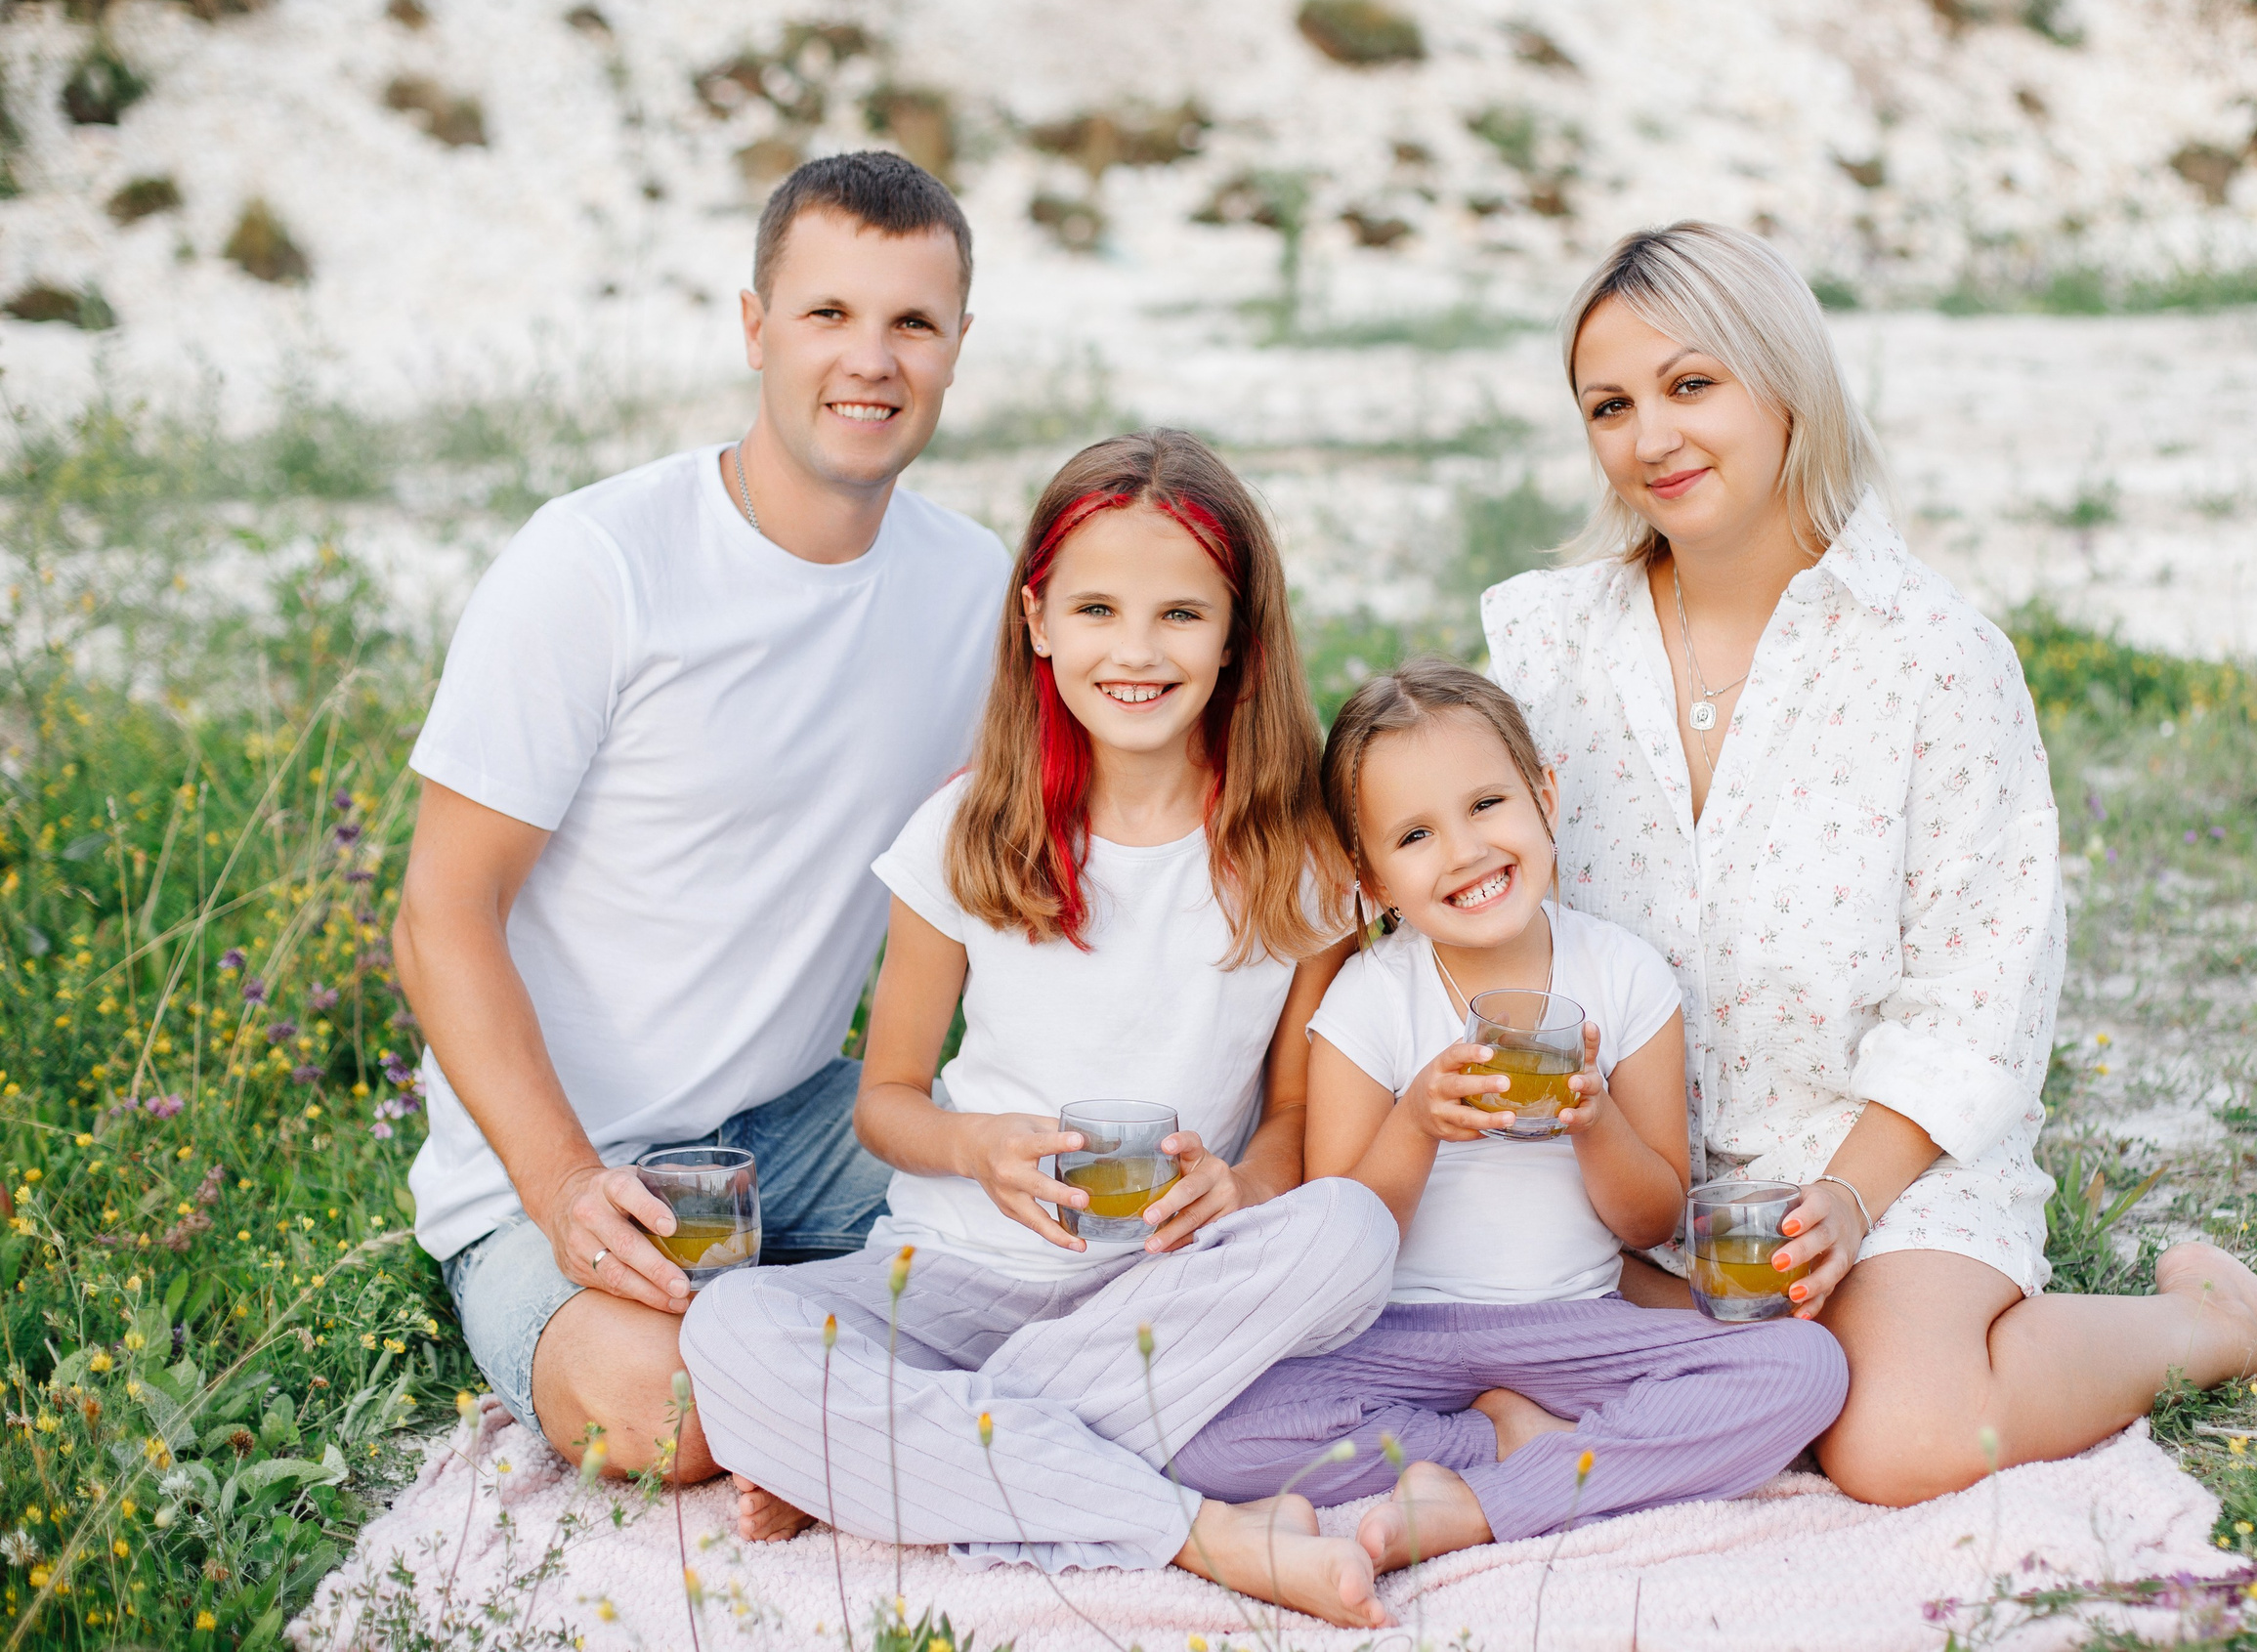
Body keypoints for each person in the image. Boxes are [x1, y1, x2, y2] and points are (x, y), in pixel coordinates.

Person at [1479, 221, 2257, 1507]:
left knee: (1899, 1439)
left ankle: (2216, 1317)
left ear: (1786, 383)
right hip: (1628, 1172)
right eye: (1609, 405)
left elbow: (1978, 990)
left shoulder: (1934, 654)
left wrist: (1848, 1199)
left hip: (1881, 1165)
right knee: (1517, 1378)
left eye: (1690, 384)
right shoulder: (1546, 649)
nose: (1650, 438)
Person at [680, 430, 1405, 1631]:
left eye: (1181, 614)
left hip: (1167, 1290)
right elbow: (887, 1100)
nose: (1136, 650)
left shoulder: (1301, 861)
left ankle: (892, 1460)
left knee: (1351, 1232)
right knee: (734, 1323)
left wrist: (1238, 1188)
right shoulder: (967, 832)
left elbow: (1292, 1116)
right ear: (1037, 620)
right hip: (950, 1275)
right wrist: (977, 1149)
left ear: (1237, 636)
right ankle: (1197, 1533)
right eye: (1097, 609)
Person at [392, 150, 1007, 1482]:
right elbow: (440, 916)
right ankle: (808, 1362)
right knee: (668, 1413)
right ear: (755, 326)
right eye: (828, 313)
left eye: (912, 322)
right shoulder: (597, 564)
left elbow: (1053, 843)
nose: (871, 360)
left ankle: (813, 1356)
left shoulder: (973, 586)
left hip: (801, 1126)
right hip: (561, 1163)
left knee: (1085, 1240)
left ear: (958, 346)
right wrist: (562, 1186)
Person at [1172, 657, 1847, 1571]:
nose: (1464, 851)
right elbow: (1333, 1235)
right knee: (1198, 1432)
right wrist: (1416, 1123)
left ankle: (1486, 1500)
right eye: (1415, 834)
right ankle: (1500, 1441)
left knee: (1804, 1370)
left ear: (1545, 800)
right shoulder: (1369, 1000)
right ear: (1371, 879)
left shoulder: (1625, 975)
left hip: (1574, 1321)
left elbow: (1654, 1219)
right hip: (1396, 1334)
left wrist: (1596, 1121)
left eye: (1487, 804)